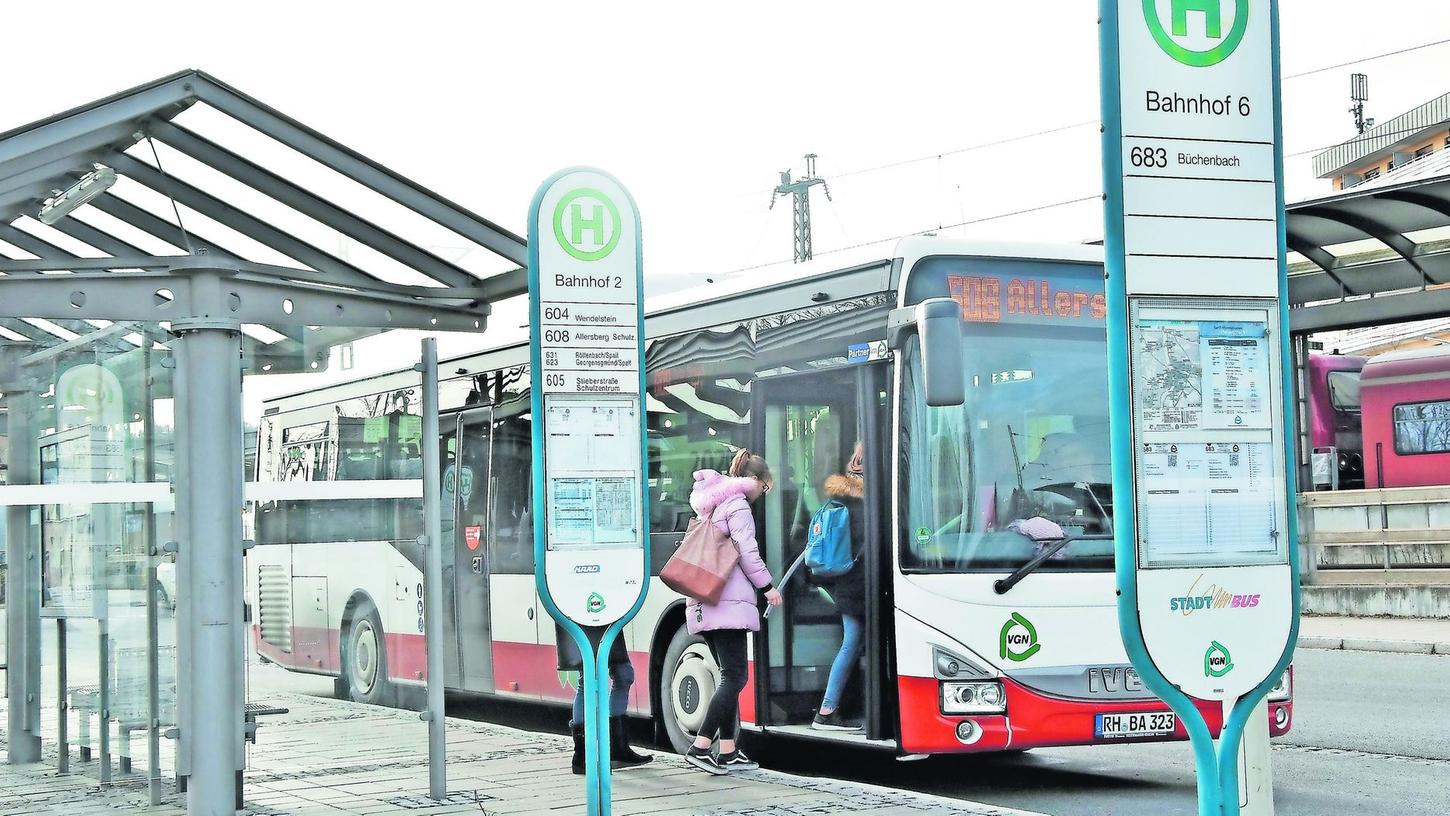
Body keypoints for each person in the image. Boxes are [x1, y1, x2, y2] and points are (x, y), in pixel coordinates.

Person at [683, 449, 782, 775]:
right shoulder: (738, 506)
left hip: (704, 599)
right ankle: (700, 747)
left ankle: (728, 750)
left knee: (729, 675)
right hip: (726, 603)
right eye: (764, 486)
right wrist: (768, 587)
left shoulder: (711, 504)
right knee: (736, 676)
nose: (761, 493)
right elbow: (747, 553)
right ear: (752, 480)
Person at [813, 442, 867, 732]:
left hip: (846, 583)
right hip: (860, 586)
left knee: (852, 643)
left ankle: (830, 708)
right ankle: (826, 711)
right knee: (851, 643)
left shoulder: (842, 497)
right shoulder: (864, 502)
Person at [556, 625, 652, 774]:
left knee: (624, 675)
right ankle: (582, 755)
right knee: (588, 677)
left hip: (607, 617)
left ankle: (617, 749)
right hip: (586, 615)